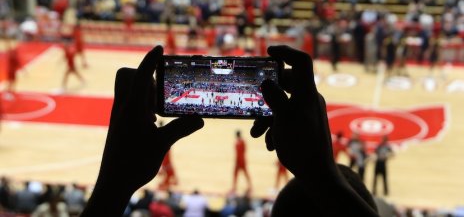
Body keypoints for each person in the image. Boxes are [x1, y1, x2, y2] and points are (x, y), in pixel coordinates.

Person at [80, 45, 379, 216]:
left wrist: (113, 188)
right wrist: (322, 176)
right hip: (299, 162)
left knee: (236, 172)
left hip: (126, 177)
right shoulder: (311, 160)